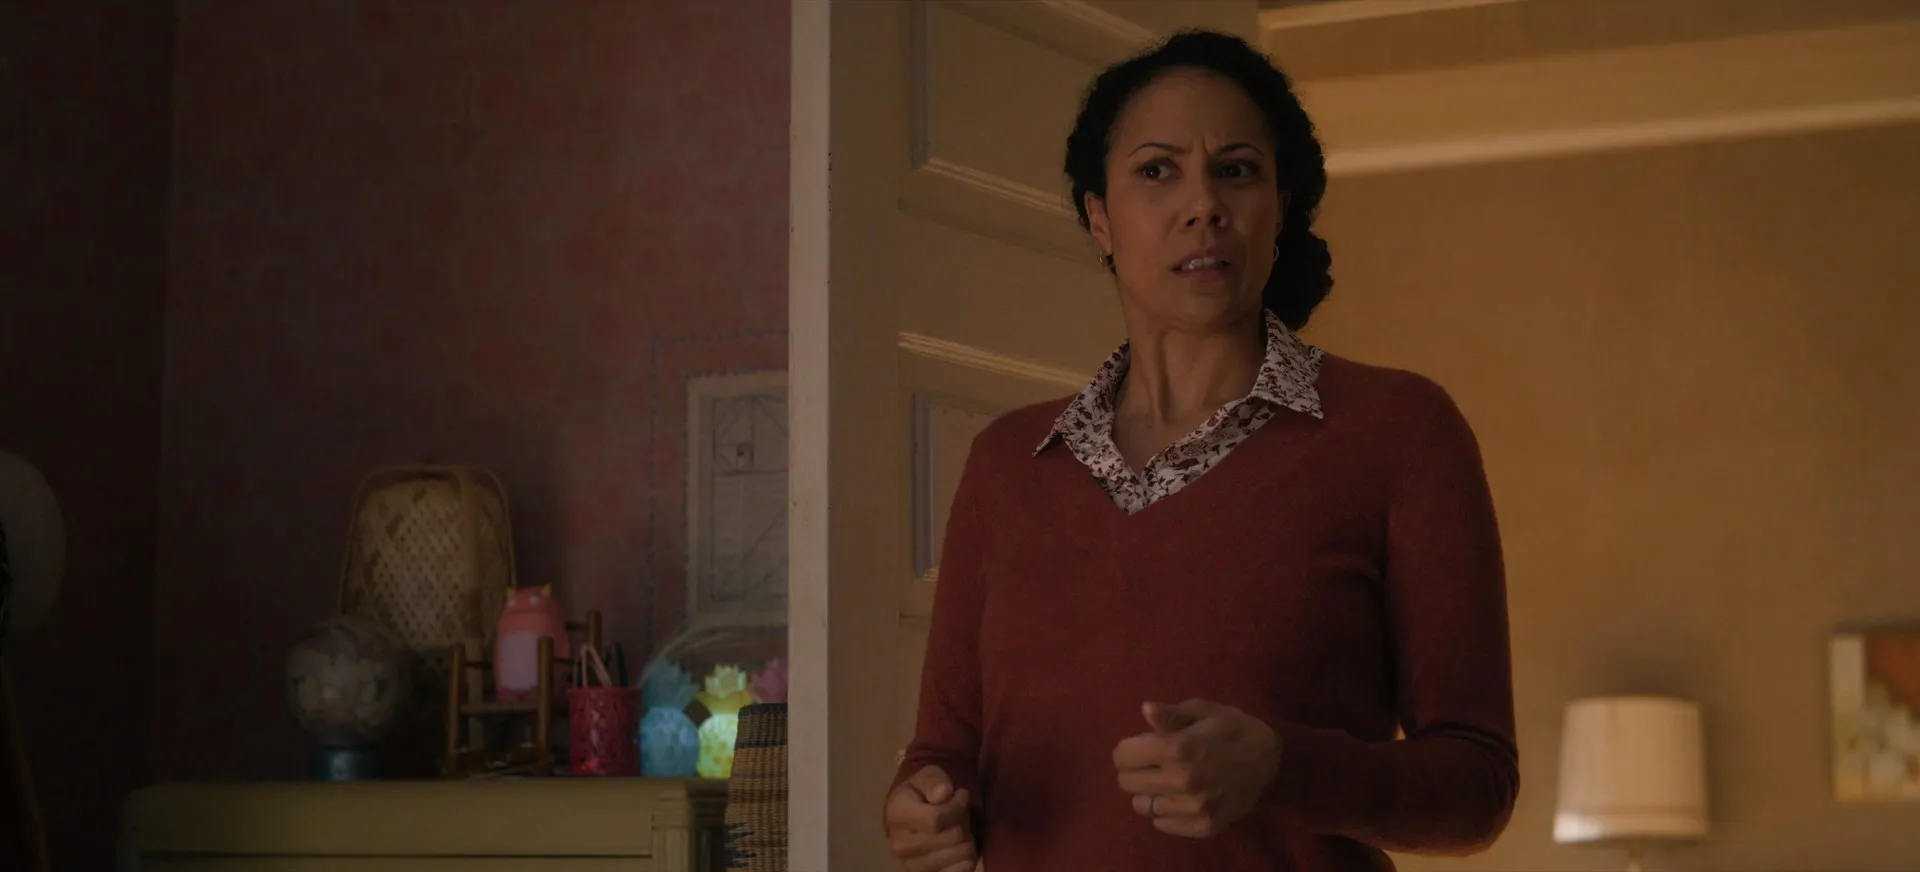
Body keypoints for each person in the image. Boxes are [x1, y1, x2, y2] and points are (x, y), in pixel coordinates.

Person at [880, 29, 1519, 872]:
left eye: (1237, 170)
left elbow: (1477, 784)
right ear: (1099, 219)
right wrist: (921, 807)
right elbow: (944, 752)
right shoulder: (1009, 463)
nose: (1203, 205)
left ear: (1279, 209)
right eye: (1158, 171)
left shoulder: (1398, 431)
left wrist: (1284, 767)